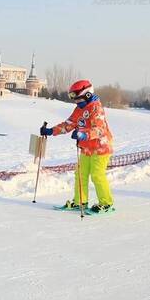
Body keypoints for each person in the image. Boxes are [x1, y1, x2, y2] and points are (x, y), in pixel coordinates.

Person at [40, 80, 115, 213]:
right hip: (86, 148)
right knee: (80, 174)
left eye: (78, 99)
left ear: (87, 95)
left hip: (100, 147)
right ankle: (80, 202)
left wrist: (83, 134)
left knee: (97, 174)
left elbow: (99, 129)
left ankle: (106, 203)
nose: (76, 102)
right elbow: (68, 124)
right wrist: (51, 131)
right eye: (74, 99)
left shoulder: (96, 108)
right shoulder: (79, 109)